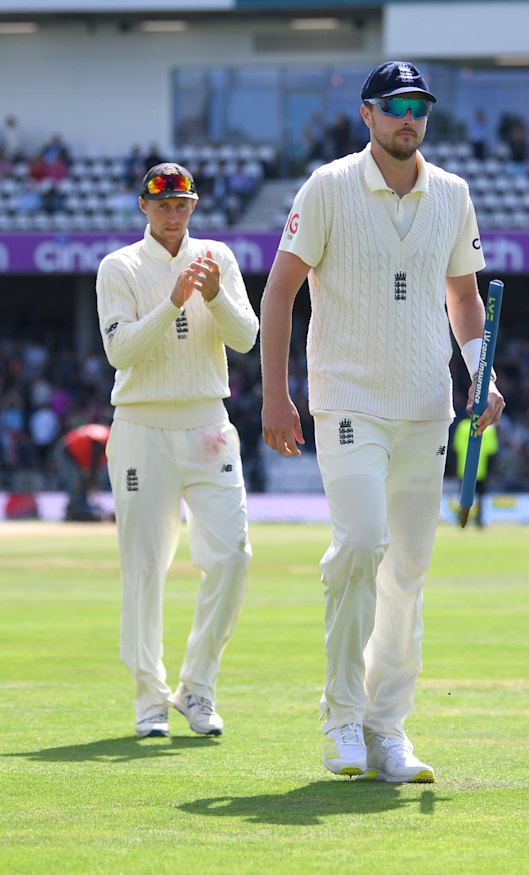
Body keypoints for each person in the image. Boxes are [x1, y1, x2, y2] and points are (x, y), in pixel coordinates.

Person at [260, 60, 505, 784]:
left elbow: (463, 300)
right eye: (395, 105)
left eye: (419, 107)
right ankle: (340, 716)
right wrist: (276, 395)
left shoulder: (453, 194)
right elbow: (279, 294)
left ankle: (387, 728)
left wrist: (480, 373)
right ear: (367, 114)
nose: (409, 117)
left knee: (409, 570)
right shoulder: (329, 186)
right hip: (348, 401)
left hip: (425, 406)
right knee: (362, 543)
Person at [96, 162, 258, 739]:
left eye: (182, 204)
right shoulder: (119, 266)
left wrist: (212, 295)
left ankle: (198, 686)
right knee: (144, 567)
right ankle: (148, 698)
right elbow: (122, 353)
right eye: (162, 205)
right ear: (143, 206)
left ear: (194, 206)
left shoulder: (219, 257)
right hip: (141, 426)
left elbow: (245, 338)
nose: (173, 215)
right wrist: (171, 301)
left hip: (208, 425)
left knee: (233, 557)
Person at [55, 423, 110, 521]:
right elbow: (95, 454)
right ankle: (74, 511)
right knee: (75, 482)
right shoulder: (104, 436)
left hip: (77, 456)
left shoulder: (105, 435)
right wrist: (92, 478)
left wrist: (91, 478)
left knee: (81, 482)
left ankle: (80, 509)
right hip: (68, 452)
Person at [452, 417, 499, 527]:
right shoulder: (489, 428)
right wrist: (492, 471)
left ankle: (462, 519)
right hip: (482, 470)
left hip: (464, 469)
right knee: (481, 496)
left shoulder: (462, 426)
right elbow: (492, 452)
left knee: (463, 495)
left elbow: (456, 448)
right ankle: (479, 520)